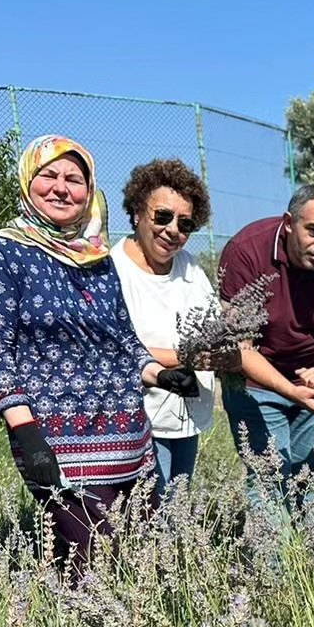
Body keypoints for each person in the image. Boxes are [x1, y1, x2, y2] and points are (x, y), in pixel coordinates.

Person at [0, 135, 193, 566]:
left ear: (89, 190)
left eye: (74, 179)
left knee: (142, 553)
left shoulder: (98, 260)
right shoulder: (3, 253)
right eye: (49, 175)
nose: (62, 187)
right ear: (28, 182)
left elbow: (123, 343)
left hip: (129, 438)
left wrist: (158, 373)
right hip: (55, 438)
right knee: (94, 556)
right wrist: (25, 432)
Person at [217, 184, 314, 508]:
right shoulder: (246, 251)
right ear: (289, 222)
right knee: (269, 481)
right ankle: (272, 560)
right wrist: (288, 390)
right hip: (256, 381)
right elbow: (240, 348)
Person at [111, 158, 237, 495]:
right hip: (139, 420)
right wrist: (186, 356)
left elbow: (214, 327)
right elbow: (113, 349)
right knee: (150, 519)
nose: (173, 231)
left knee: (173, 512)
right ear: (137, 212)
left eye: (185, 224)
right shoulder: (112, 271)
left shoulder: (190, 268)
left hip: (186, 418)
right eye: (162, 217)